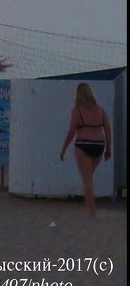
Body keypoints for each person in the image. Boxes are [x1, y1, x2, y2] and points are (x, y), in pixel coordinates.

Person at [59, 82, 112, 218]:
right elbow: (107, 130)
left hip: (83, 144)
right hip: (99, 146)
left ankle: (91, 211)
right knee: (89, 178)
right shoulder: (100, 110)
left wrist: (64, 148)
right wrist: (108, 149)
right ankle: (91, 209)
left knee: (87, 179)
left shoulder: (77, 110)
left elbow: (72, 131)